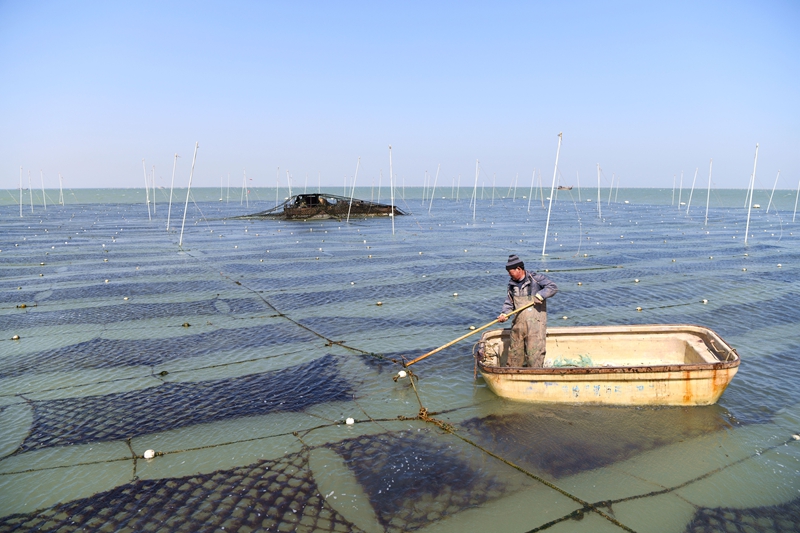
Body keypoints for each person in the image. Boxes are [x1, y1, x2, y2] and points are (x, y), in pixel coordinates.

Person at [497, 254, 558, 368]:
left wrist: (540, 295)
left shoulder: (536, 279)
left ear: (519, 269)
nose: (509, 275)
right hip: (518, 326)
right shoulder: (511, 285)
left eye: (511, 272)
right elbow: (509, 303)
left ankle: (534, 378)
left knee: (534, 355)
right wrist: (504, 314)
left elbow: (553, 287)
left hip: (535, 327)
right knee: (514, 354)